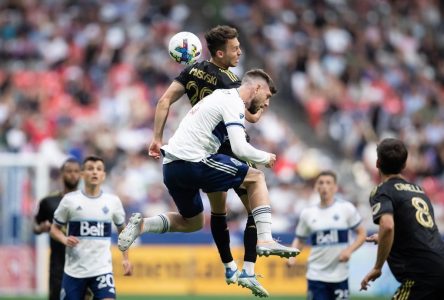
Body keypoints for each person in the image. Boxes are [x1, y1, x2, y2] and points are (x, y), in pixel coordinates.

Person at [118, 68, 300, 283]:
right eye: (267, 96)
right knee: (257, 177)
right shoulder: (233, 102)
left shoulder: (220, 97)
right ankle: (266, 239)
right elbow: (240, 148)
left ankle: (143, 226)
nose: (267, 103)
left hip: (172, 168)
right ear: (257, 88)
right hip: (194, 161)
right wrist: (265, 156)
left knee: (192, 222)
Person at [148, 25, 269, 297]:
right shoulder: (230, 82)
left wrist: (157, 137)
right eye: (235, 48)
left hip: (206, 151)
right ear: (220, 52)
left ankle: (228, 267)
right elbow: (248, 117)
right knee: (254, 202)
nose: (240, 52)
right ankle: (249, 269)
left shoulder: (191, 70)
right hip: (230, 148)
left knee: (218, 212)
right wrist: (260, 107)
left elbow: (164, 101)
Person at [360, 138, 444, 299]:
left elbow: (388, 225)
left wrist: (378, 267)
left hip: (421, 274)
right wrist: (386, 238)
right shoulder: (419, 191)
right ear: (404, 165)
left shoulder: (383, 191)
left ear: (377, 163)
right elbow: (419, 231)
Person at [50, 155, 133, 300]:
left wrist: (126, 258)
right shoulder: (70, 201)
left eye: (98, 169)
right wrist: (64, 239)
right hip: (74, 272)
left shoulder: (113, 202)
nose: (94, 172)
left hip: (102, 270)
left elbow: (123, 232)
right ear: (82, 174)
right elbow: (54, 229)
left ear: (103, 175)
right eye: (90, 169)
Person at [287, 170, 366, 300]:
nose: (324, 186)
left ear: (335, 187)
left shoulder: (346, 209)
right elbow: (300, 239)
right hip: (316, 275)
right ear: (316, 187)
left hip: (340, 275)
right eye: (321, 183)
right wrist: (292, 255)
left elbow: (362, 233)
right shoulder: (308, 213)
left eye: (328, 183)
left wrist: (349, 250)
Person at [33, 158, 81, 300]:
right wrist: (40, 228)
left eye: (76, 171)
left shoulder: (90, 200)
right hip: (58, 266)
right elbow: (35, 226)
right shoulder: (48, 201)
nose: (73, 175)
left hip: (84, 265)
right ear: (62, 174)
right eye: (69, 171)